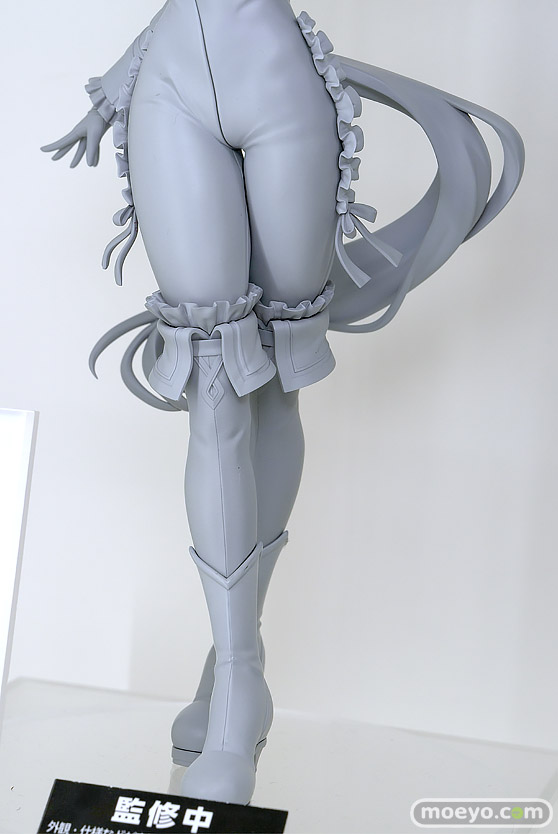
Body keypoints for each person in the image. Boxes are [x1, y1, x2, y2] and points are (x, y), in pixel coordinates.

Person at [42, 0, 524, 806]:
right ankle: (239, 680)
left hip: (277, 80)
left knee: (270, 372)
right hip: (169, 79)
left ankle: (233, 674)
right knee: (213, 373)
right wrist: (117, 81)